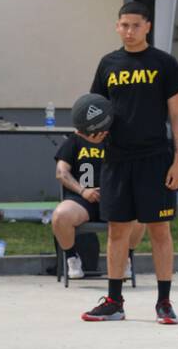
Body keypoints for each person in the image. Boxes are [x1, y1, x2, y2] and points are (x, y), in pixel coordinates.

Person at [83, 1, 178, 324]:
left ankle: (164, 302)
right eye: (124, 25)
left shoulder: (164, 64)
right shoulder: (107, 65)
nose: (129, 31)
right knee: (117, 231)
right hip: (116, 159)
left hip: (155, 160)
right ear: (117, 26)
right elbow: (93, 111)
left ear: (148, 27)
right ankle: (114, 301)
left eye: (136, 26)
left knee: (159, 231)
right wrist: (91, 135)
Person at [51, 93, 142, 280]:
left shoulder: (118, 140)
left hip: (115, 199)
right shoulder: (75, 140)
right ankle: (71, 258)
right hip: (82, 199)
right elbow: (61, 172)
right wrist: (83, 191)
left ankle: (125, 258)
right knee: (60, 215)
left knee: (141, 216)